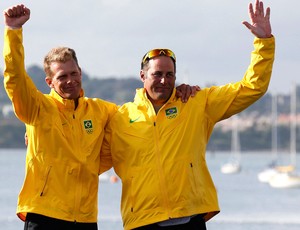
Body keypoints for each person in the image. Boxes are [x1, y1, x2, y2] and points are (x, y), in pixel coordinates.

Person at [2, 4, 199, 230]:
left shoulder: (101, 110)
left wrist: (175, 92)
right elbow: (15, 79)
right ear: (50, 82)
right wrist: (13, 32)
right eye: (62, 76)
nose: (70, 80)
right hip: (44, 214)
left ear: (81, 72)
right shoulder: (37, 108)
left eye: (74, 73)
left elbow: (137, 117)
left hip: (85, 218)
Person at [100, 0, 275, 229]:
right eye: (157, 74)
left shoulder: (195, 103)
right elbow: (87, 160)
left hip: (190, 219)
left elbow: (252, 88)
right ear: (142, 76)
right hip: (142, 222)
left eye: (170, 74)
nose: (164, 80)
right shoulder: (119, 118)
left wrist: (263, 43)